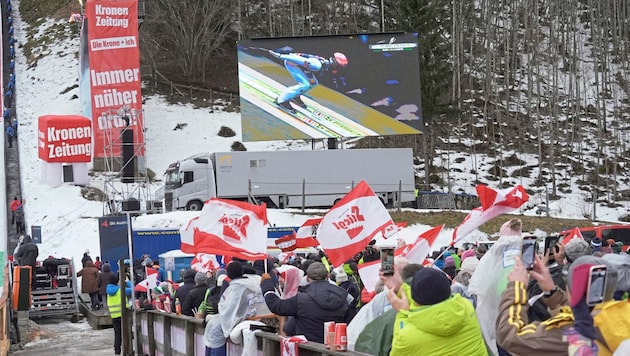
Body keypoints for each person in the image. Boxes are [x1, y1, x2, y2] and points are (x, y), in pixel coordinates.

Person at [387, 268, 488, 355]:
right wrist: (401, 288)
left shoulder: (406, 337)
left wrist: (402, 313)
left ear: (416, 301)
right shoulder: (466, 307)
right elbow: (427, 297)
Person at [260, 261, 353, 343]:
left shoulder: (300, 299)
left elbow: (276, 306)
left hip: (307, 349)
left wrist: (267, 286)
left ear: (308, 278)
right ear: (328, 276)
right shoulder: (345, 297)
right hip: (335, 349)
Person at [267, 48, 348, 113]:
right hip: (292, 63)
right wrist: (280, 56)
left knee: (314, 83)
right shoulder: (317, 65)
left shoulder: (322, 63)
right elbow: (299, 59)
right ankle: (281, 100)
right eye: (339, 67)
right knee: (305, 84)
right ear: (335, 65)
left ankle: (295, 96)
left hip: (300, 66)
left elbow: (305, 56)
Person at [106, 274, 131, 356]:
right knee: (127, 333)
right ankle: (127, 350)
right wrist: (128, 282)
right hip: (123, 315)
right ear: (117, 281)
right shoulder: (121, 290)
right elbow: (134, 290)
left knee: (117, 334)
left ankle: (117, 352)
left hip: (114, 316)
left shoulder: (108, 290)